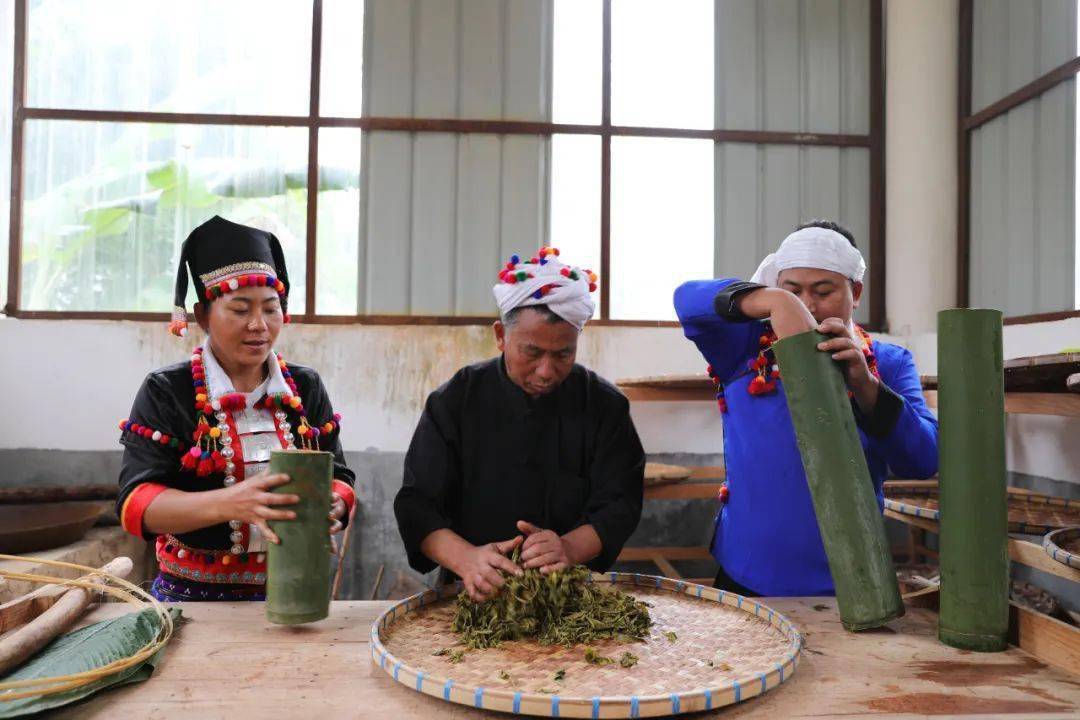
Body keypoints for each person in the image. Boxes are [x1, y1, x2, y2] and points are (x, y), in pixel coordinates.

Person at [673, 221, 938, 597]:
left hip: (848, 580)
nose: (808, 305)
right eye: (793, 291)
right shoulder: (745, 349)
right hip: (747, 571)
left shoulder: (887, 363)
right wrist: (775, 304)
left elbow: (924, 459)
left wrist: (866, 385)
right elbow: (688, 299)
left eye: (823, 291)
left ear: (856, 292)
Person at [116, 216, 355, 601]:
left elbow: (340, 474)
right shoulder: (167, 390)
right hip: (191, 599)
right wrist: (231, 503)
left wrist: (333, 504)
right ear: (202, 314)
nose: (259, 325)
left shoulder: (304, 387)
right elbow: (135, 504)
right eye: (241, 310)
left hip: (297, 594)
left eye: (271, 309)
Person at [394, 248, 645, 601]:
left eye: (563, 355)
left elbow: (621, 505)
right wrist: (467, 560)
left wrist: (569, 548)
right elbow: (416, 506)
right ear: (501, 335)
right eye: (531, 352)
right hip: (473, 589)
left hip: (567, 592)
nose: (546, 371)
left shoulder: (604, 406)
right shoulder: (455, 401)